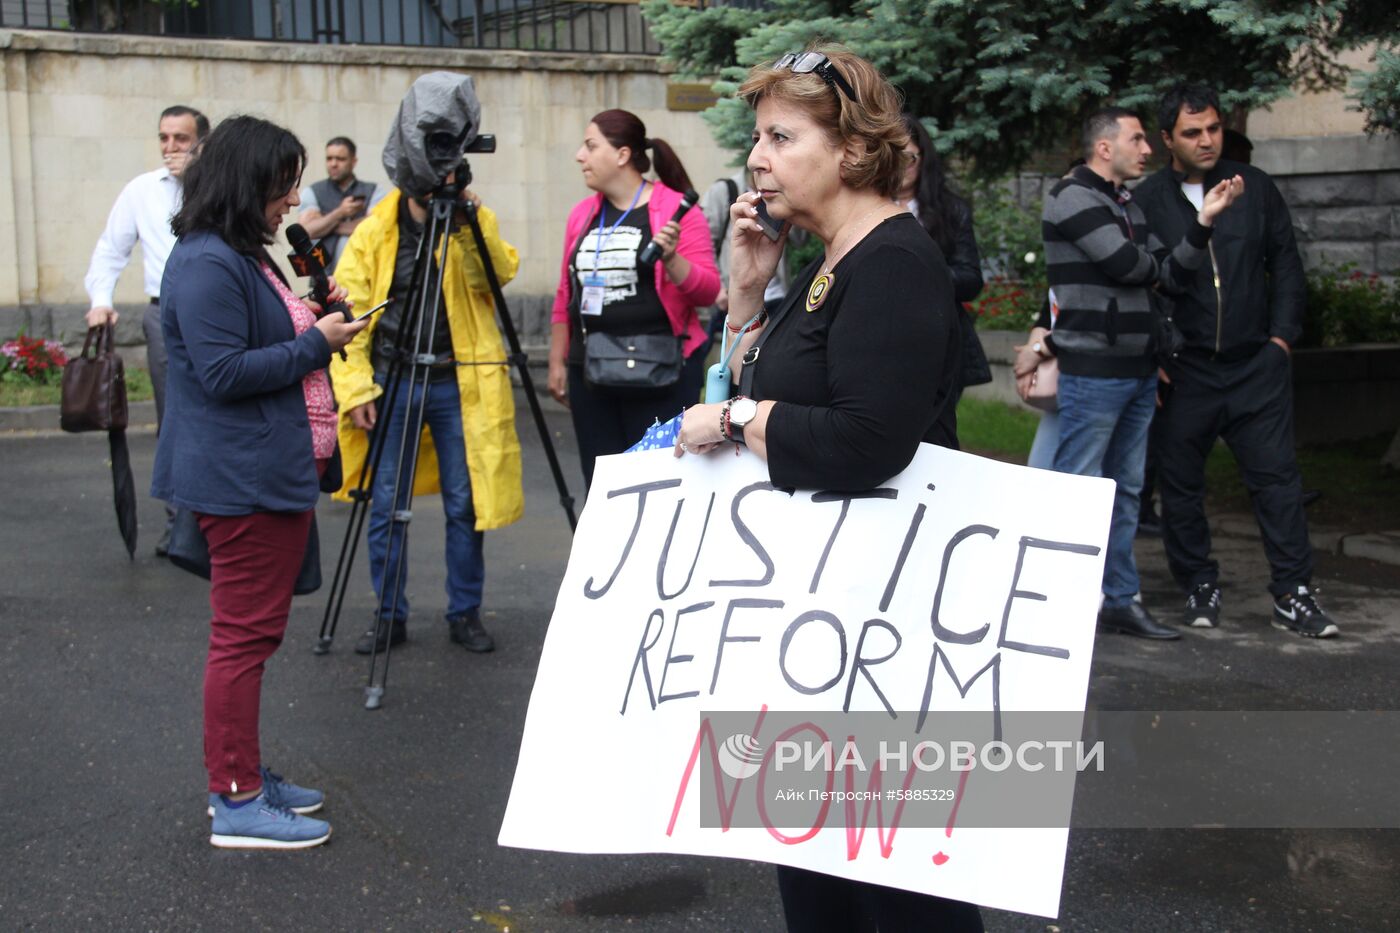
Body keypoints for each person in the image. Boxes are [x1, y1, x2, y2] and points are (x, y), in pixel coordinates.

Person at [673, 45, 975, 932]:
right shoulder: (829, 261)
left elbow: (866, 439)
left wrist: (735, 423)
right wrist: (744, 297)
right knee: (816, 870)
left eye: (780, 135)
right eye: (757, 135)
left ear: (849, 151)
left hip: (879, 632)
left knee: (896, 882)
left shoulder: (893, 262)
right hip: (821, 627)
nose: (757, 156)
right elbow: (746, 386)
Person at [152, 115, 368, 848]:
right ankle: (236, 797)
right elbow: (221, 373)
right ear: (249, 184)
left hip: (259, 467)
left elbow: (254, 341)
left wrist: (313, 320)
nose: (291, 202)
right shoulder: (210, 261)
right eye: (282, 187)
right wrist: (315, 343)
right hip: (238, 476)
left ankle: (242, 771)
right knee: (241, 639)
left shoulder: (240, 255)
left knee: (252, 634)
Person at [1135, 84, 1337, 638]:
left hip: (1256, 366)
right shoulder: (1149, 200)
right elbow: (1141, 281)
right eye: (1192, 133)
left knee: (1278, 482)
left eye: (1214, 129)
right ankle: (1199, 583)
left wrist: (1282, 340)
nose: (1206, 141)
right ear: (1167, 139)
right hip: (1188, 369)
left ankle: (1293, 594)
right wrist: (1158, 350)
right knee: (1180, 488)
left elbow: (1287, 266)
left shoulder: (1257, 188)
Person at [1040, 106, 1242, 641]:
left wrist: (1203, 222)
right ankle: (1059, 605)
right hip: (1094, 370)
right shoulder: (1072, 197)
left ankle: (1118, 600)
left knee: (1126, 491)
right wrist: (1154, 269)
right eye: (1137, 139)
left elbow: (1172, 275)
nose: (1148, 149)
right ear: (1105, 148)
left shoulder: (1124, 201)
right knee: (1080, 489)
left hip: (1137, 368)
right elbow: (1128, 265)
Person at [331, 168, 525, 656]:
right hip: (391, 381)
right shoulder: (375, 231)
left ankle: (465, 612)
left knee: (464, 503)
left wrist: (467, 220)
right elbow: (346, 312)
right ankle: (388, 615)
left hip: (455, 381)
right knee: (386, 506)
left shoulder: (469, 218)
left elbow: (495, 274)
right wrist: (356, 391)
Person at [548, 109, 721, 490]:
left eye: (591, 146)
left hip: (662, 370)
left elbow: (708, 291)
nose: (580, 155)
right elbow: (566, 291)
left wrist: (672, 259)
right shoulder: (582, 214)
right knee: (600, 485)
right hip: (590, 371)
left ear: (622, 155)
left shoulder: (678, 210)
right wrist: (557, 359)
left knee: (657, 484)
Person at [84, 104, 210, 556]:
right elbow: (109, 250)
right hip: (165, 315)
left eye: (180, 138)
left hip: (216, 314)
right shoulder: (141, 190)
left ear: (201, 143)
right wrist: (101, 301)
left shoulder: (216, 186)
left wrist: (197, 178)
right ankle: (180, 527)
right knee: (174, 418)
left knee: (219, 415)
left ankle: (218, 520)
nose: (170, 148)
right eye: (164, 138)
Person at [898, 113, 988, 406]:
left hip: (937, 340)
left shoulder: (950, 210)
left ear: (923, 159)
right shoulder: (857, 208)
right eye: (892, 156)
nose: (901, 166)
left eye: (908, 157)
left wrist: (915, 276)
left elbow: (971, 279)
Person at [297, 136, 387, 270]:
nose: (333, 164)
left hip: (363, 275)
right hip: (324, 276)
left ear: (353, 161)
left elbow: (377, 227)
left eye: (340, 159)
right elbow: (306, 232)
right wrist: (340, 213)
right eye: (329, 158)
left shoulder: (374, 190)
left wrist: (325, 224)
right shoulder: (312, 191)